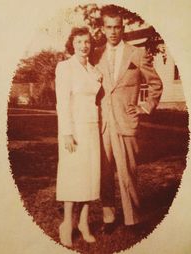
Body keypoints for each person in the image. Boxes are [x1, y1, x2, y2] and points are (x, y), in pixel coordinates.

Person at [91, 5, 163, 226]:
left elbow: (156, 84)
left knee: (128, 171)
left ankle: (132, 219)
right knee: (103, 172)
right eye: (109, 27)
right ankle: (109, 215)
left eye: (117, 27)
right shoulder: (95, 55)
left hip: (126, 121)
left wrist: (144, 106)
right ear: (102, 29)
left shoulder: (137, 53)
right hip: (102, 123)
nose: (113, 32)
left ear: (122, 28)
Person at [55, 27, 102, 247]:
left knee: (90, 178)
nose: (84, 46)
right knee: (72, 177)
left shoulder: (94, 70)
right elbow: (62, 103)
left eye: (87, 42)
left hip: (92, 129)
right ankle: (66, 224)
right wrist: (66, 133)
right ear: (72, 44)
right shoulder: (65, 67)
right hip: (74, 131)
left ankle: (83, 223)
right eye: (80, 41)